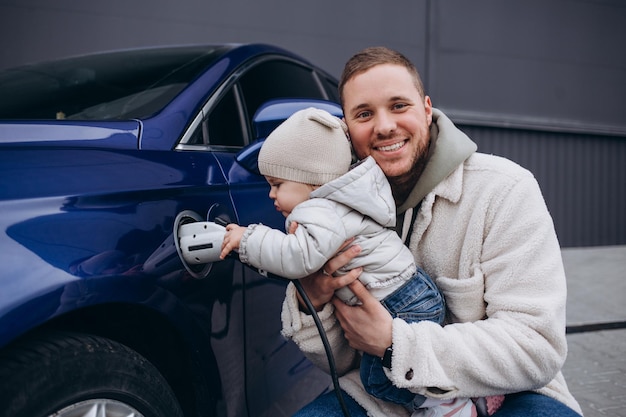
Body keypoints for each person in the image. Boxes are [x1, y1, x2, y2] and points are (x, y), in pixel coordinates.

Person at [280, 47, 583, 417]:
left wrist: (396, 344)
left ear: (426, 109)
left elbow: (536, 346)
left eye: (398, 105)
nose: (385, 125)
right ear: (346, 128)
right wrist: (315, 301)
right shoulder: (331, 211)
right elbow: (340, 362)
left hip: (508, 395)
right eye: (364, 114)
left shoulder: (504, 189)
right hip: (383, 399)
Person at [220, 107, 483, 416]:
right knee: (382, 376)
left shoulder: (319, 209)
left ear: (313, 182)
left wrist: (247, 239)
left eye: (277, 184)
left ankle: (446, 403)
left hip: (398, 302)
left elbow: (298, 257)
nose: (271, 195)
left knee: (376, 381)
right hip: (411, 294)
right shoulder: (340, 202)